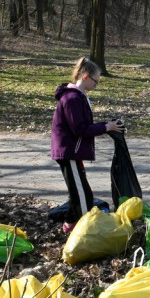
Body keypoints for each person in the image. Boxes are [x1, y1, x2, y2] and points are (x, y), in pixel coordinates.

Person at [50, 56, 124, 232]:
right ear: (85, 77)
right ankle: (86, 233)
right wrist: (106, 127)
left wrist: (106, 126)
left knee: (81, 193)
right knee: (82, 196)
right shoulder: (72, 99)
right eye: (95, 82)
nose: (96, 85)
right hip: (69, 152)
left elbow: (84, 126)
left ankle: (69, 224)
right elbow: (80, 129)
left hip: (73, 152)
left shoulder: (79, 97)